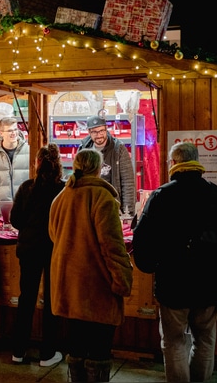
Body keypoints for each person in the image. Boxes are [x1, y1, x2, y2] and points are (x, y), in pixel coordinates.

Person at [132, 141, 217, 382]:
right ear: (196, 162)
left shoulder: (161, 196)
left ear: (174, 163)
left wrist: (150, 265)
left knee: (174, 341)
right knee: (205, 338)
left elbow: (143, 238)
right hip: (212, 282)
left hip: (174, 283)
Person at [49, 149, 134, 382]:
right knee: (98, 351)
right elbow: (112, 246)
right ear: (98, 169)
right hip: (97, 288)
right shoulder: (102, 198)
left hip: (69, 287)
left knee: (75, 348)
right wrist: (122, 280)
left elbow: (54, 235)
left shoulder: (61, 198)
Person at [10, 143, 65, 367]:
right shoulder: (64, 189)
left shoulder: (26, 188)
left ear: (37, 163)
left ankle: (18, 351)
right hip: (53, 250)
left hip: (29, 249)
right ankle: (48, 353)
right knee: (52, 301)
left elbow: (15, 220)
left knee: (26, 299)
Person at [78, 115, 136, 215]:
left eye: (101, 131)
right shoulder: (83, 150)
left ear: (106, 129)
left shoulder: (119, 149)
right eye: (94, 132)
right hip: (89, 207)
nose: (99, 135)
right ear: (89, 132)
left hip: (112, 206)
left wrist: (128, 213)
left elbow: (128, 183)